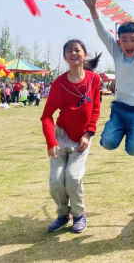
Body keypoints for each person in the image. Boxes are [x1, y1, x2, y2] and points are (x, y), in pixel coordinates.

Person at [81, 0, 134, 156]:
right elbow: (103, 33)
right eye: (124, 40)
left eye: (133, 40)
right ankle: (124, 129)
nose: (129, 44)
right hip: (120, 107)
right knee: (107, 143)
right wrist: (93, 8)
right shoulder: (118, 54)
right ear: (119, 42)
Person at [40, 39, 101, 234]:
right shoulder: (60, 83)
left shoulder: (94, 79)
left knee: (73, 177)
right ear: (65, 56)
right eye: (69, 51)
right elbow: (47, 116)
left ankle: (79, 215)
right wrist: (51, 141)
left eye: (77, 50)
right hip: (62, 136)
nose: (73, 53)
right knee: (57, 181)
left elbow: (96, 109)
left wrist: (89, 133)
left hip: (82, 137)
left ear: (85, 54)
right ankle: (63, 214)